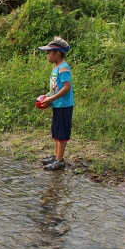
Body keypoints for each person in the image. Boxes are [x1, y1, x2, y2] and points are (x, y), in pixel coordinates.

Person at [37, 37, 74, 171]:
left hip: (64, 106)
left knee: (62, 135)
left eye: (49, 52)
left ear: (57, 53)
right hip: (57, 106)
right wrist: (48, 95)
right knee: (56, 132)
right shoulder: (56, 67)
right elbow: (56, 87)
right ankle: (55, 156)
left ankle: (59, 160)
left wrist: (51, 99)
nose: (47, 55)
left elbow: (66, 87)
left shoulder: (63, 68)